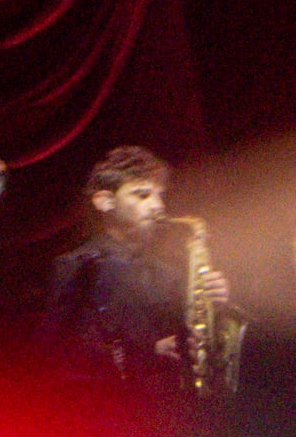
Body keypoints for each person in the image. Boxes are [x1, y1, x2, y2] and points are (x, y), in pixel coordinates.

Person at [43, 144, 229, 391]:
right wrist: (147, 351)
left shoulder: (171, 270)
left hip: (174, 399)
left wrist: (215, 305)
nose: (157, 206)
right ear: (105, 201)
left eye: (159, 195)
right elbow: (59, 350)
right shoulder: (77, 266)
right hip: (110, 403)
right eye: (142, 195)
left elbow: (195, 334)